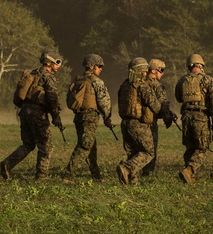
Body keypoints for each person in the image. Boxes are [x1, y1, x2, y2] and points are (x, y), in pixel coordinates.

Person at [0, 50, 64, 180]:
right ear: (48, 63)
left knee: (28, 144)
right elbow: (52, 98)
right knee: (46, 145)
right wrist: (56, 116)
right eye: (57, 63)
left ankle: (8, 163)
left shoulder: (32, 74)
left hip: (24, 112)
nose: (58, 66)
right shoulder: (47, 76)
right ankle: (42, 175)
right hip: (37, 114)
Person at [62, 53, 113, 182]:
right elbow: (104, 102)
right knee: (85, 145)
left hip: (78, 116)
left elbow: (69, 98)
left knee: (91, 147)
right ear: (92, 67)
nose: (101, 69)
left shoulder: (77, 80)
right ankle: (68, 175)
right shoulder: (97, 81)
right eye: (99, 66)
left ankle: (96, 176)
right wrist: (107, 116)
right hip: (90, 117)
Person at [174, 53, 213, 184]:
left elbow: (179, 98)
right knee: (202, 147)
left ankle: (190, 175)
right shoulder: (207, 80)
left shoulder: (182, 80)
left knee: (190, 146)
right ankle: (189, 170)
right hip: (201, 116)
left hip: (186, 116)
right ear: (201, 65)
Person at [116, 57, 162, 186]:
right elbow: (156, 106)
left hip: (125, 123)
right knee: (149, 152)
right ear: (142, 71)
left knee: (133, 153)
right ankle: (127, 168)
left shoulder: (124, 85)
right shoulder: (142, 85)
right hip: (138, 124)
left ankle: (132, 183)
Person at [142, 58, 177, 177]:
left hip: (137, 121)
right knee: (151, 150)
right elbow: (163, 104)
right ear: (153, 70)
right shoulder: (156, 85)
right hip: (150, 122)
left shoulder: (139, 83)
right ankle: (147, 173)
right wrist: (167, 117)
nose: (162, 73)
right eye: (161, 70)